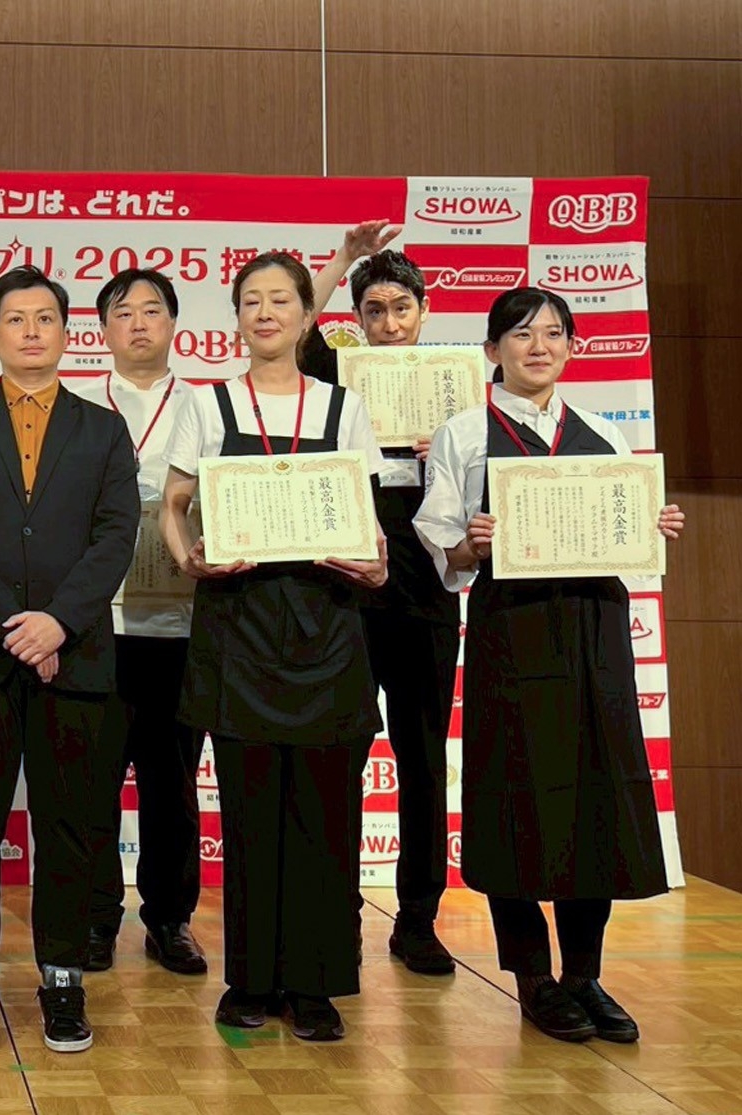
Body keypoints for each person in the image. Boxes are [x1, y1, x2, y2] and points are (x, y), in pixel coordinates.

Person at [414, 288, 684, 1043]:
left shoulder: (604, 432)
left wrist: (653, 522)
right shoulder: (465, 433)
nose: (539, 347)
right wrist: (471, 543)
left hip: (596, 633)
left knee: (595, 797)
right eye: (522, 334)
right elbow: (445, 546)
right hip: (513, 631)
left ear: (571, 346)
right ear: (491, 348)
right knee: (516, 795)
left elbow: (629, 538)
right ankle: (533, 976)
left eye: (554, 333)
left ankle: (583, 974)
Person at [160, 252, 388, 1042]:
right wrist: (188, 558)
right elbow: (173, 502)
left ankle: (316, 984)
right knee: (250, 812)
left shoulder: (342, 406)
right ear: (235, 317)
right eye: (250, 301)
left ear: (304, 316)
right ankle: (251, 978)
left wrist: (377, 562)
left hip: (327, 625)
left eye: (280, 300)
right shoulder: (208, 402)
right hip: (239, 625)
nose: (264, 313)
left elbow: (364, 516)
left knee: (326, 815)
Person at [0, 265, 140, 1054]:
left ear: (66, 332)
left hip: (73, 657)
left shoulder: (102, 428)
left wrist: (57, 623)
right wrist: (14, 628)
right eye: (15, 319)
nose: (30, 331)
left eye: (44, 317)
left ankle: (62, 975)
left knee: (70, 827)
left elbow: (115, 534)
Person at [308, 232, 463, 974]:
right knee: (338, 750)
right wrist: (340, 261)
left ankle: (418, 918)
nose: (390, 322)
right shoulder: (338, 380)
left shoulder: (464, 397)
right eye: (374, 310)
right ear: (358, 319)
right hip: (349, 592)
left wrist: (453, 459)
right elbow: (295, 329)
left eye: (402, 307)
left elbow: (499, 501)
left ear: (424, 311)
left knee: (423, 756)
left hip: (427, 593)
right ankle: (333, 907)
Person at [72, 269, 206, 975]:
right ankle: (95, 916)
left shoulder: (207, 406)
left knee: (171, 784)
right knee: (91, 779)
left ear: (173, 323)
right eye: (123, 313)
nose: (139, 323)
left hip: (180, 624)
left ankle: (170, 919)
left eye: (152, 310)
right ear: (103, 330)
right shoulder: (75, 404)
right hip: (95, 623)